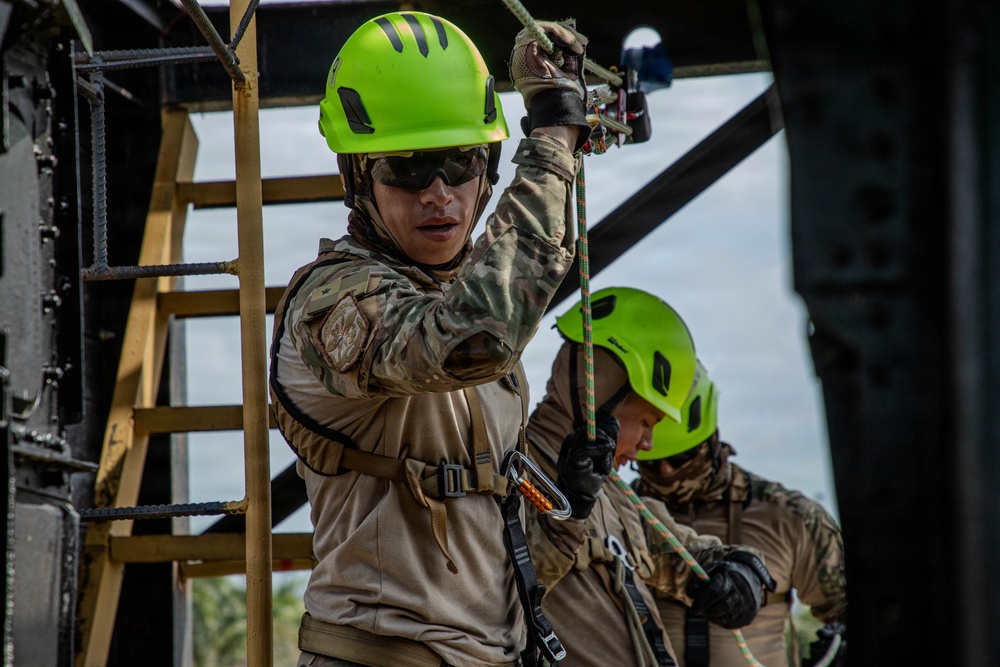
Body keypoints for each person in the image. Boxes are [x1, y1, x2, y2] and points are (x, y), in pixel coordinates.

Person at [269, 11, 602, 667]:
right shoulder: (332, 303)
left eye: (461, 162)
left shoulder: (465, 294)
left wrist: (568, 508)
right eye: (408, 169)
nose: (440, 194)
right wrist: (553, 139)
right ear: (358, 175)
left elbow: (483, 571)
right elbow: (474, 336)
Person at [527, 287, 777, 667]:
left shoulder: (615, 498)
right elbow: (495, 592)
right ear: (601, 395)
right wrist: (567, 516)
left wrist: (739, 569)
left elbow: (685, 555)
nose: (648, 444)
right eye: (647, 421)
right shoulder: (513, 471)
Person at [633, 362, 847, 667]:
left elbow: (849, 610)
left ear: (712, 441)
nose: (667, 472)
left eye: (682, 458)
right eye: (651, 463)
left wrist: (840, 647)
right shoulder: (617, 514)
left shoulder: (793, 518)